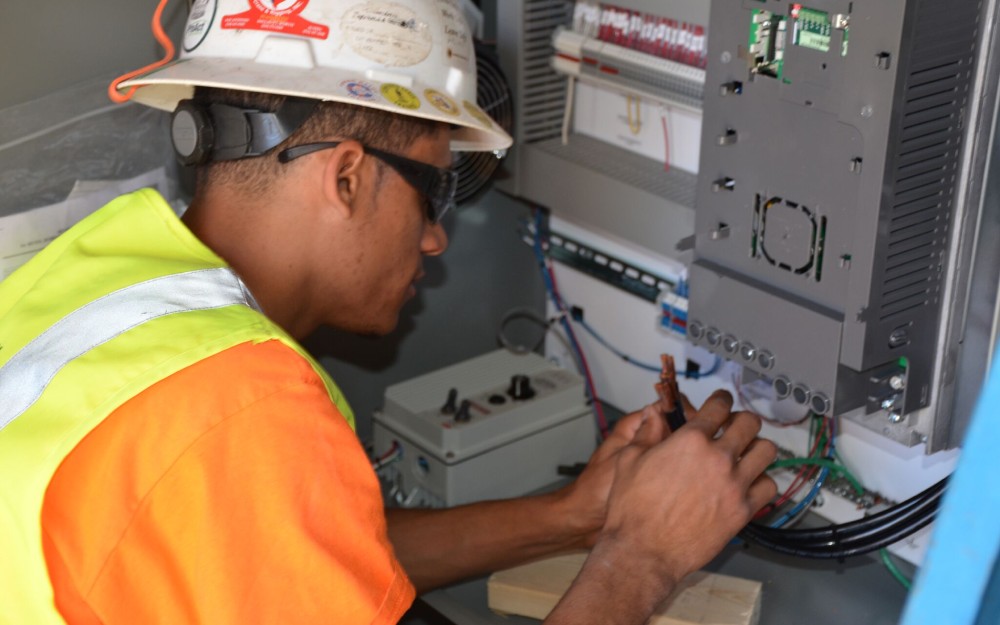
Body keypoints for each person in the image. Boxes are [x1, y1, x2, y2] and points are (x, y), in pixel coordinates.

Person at [0, 1, 777, 623]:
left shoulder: (104, 268)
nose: (437, 237)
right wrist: (644, 557)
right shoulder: (240, 406)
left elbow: (309, 555)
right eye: (433, 191)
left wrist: (576, 515)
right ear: (345, 177)